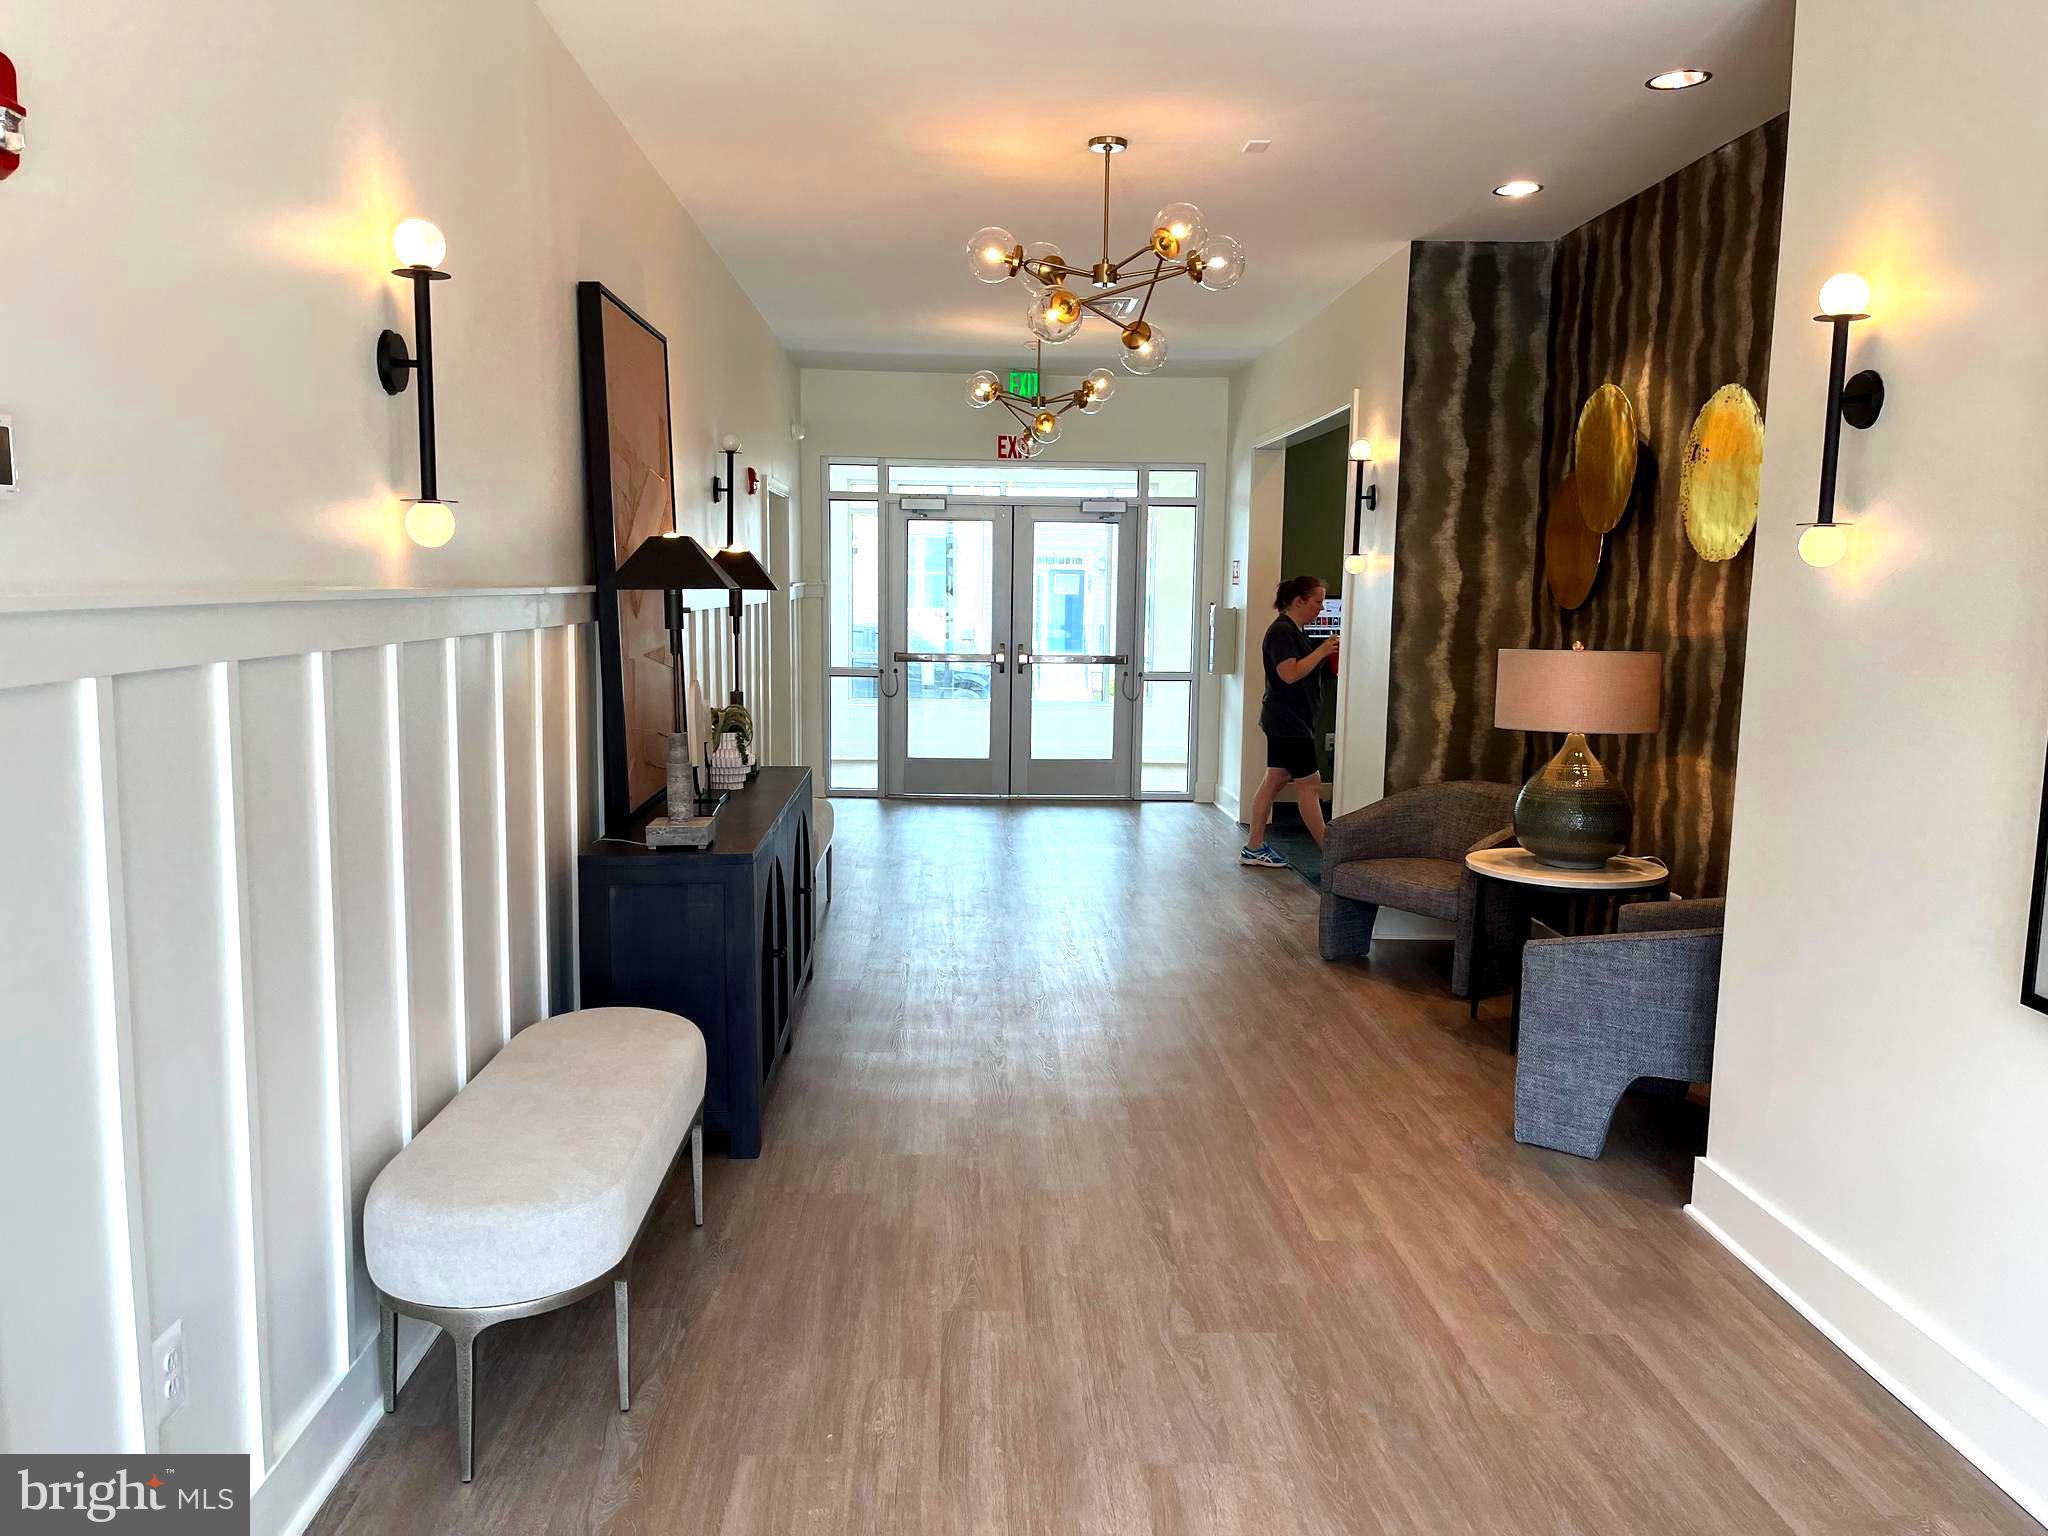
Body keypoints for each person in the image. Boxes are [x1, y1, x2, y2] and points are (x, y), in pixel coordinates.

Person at [1240, 575, 1337, 868]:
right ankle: (1330, 855)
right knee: (1310, 784)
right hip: (1288, 721)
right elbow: (1289, 673)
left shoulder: (1295, 631)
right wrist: (1322, 652)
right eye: (1318, 601)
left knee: (1275, 779)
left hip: (1289, 719)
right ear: (1299, 601)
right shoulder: (1282, 632)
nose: (1321, 608)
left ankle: (1254, 846)